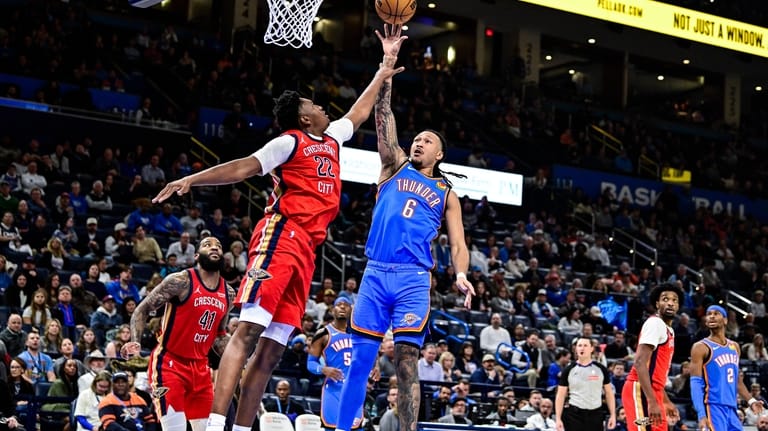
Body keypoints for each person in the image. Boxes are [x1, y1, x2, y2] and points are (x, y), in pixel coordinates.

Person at [152, 36, 405, 431]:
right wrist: (192, 179)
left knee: (271, 353)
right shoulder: (289, 141)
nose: (321, 107)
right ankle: (216, 425)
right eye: (313, 105)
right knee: (249, 331)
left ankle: (241, 428)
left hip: (307, 249)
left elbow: (358, 112)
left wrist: (384, 66)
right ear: (304, 119)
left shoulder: (332, 138)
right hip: (281, 236)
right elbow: (243, 167)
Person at [334, 24, 475, 431]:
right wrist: (388, 64)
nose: (418, 142)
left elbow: (458, 243)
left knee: (407, 361)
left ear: (440, 154)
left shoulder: (446, 192)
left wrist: (461, 274)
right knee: (360, 360)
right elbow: (383, 116)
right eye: (417, 139)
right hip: (376, 273)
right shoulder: (393, 166)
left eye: (427, 141)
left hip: (413, 278)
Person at [121, 236, 234, 431]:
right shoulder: (180, 281)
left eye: (218, 246)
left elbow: (219, 335)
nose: (214, 248)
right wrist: (135, 340)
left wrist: (239, 354)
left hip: (201, 368)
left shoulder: (229, 293)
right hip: (170, 363)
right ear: (196, 255)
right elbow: (142, 309)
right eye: (207, 245)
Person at [621, 284, 683, 431]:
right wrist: (651, 401)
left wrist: (665, 401)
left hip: (654, 391)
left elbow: (655, 375)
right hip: (640, 389)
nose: (670, 303)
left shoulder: (669, 330)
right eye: (665, 299)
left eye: (674, 300)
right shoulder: (655, 323)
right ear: (657, 304)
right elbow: (639, 362)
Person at [690, 305, 755, 431]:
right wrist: (701, 414)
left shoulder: (735, 347)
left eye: (716, 313)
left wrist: (751, 401)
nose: (711, 316)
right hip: (713, 406)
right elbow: (695, 382)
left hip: (732, 407)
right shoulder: (701, 347)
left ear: (725, 320)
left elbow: (737, 381)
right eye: (709, 314)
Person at [307, 297, 363, 430]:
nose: (342, 307)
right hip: (333, 389)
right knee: (332, 427)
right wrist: (323, 369)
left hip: (354, 389)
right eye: (339, 305)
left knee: (355, 427)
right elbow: (310, 363)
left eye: (346, 305)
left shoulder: (360, 334)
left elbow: (371, 355)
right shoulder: (323, 334)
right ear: (332, 310)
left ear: (352, 310)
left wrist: (376, 367)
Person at [554, 337, 616, 431]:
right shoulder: (568, 370)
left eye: (585, 345)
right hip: (574, 415)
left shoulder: (601, 369)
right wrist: (558, 418)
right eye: (579, 346)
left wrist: (613, 415)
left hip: (595, 414)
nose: (582, 348)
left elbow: (609, 393)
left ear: (591, 349)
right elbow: (560, 395)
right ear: (576, 349)